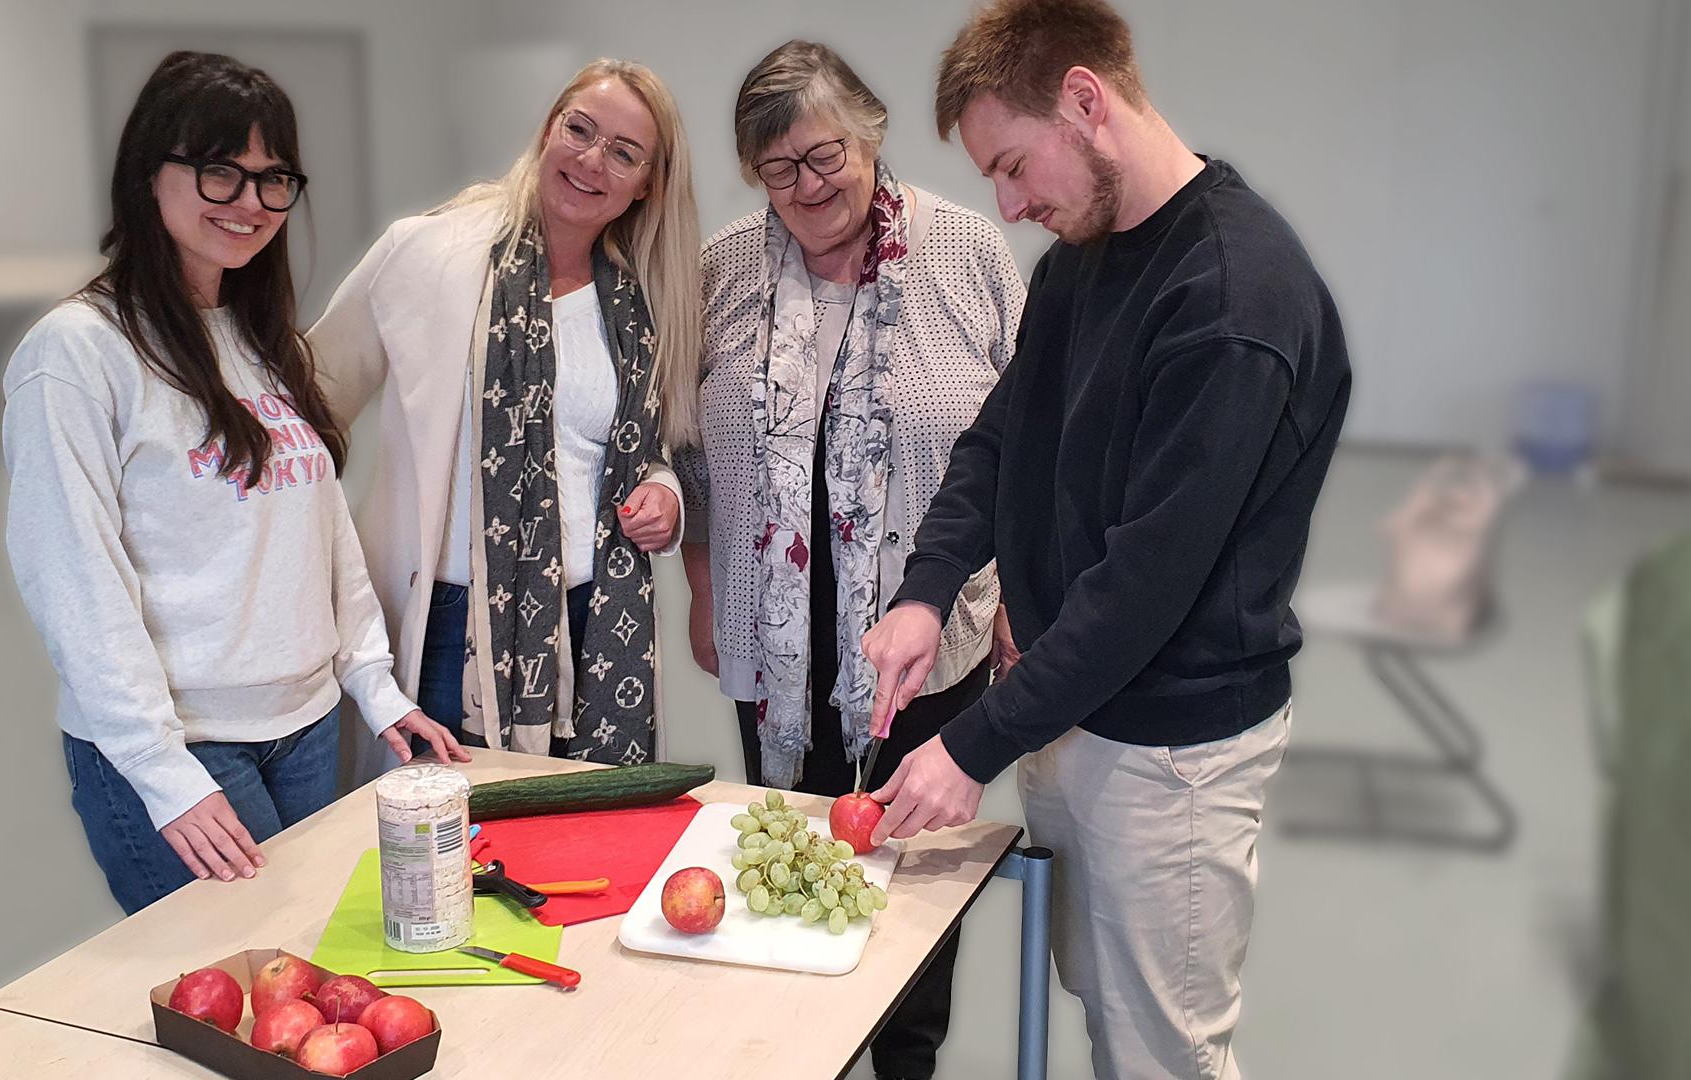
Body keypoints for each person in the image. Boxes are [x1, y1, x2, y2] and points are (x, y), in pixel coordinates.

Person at [862, 2, 1353, 1077]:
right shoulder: (1082, 258)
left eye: (1012, 164)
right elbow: (999, 437)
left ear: (1085, 101)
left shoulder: (1230, 298)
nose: (1008, 202)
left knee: (1159, 1052)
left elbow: (1145, 585)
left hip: (1169, 758)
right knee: (1106, 1008)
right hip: (1076, 715)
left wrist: (973, 744)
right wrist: (925, 589)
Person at [3, 52, 465, 915]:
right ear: (150, 173)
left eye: (272, 179)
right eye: (222, 172)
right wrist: (160, 770)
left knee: (311, 983)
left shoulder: (260, 342)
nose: (250, 204)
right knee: (243, 1007)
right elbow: (73, 577)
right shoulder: (77, 353)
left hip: (306, 726)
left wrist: (374, 684)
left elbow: (321, 535)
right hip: (185, 743)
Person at [673, 41, 1024, 1080]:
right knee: (790, 860)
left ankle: (904, 1061)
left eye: (823, 155)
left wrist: (1019, 597)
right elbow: (690, 449)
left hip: (926, 637)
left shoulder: (966, 253)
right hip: (771, 643)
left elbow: (1026, 444)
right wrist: (701, 588)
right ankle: (798, 1052)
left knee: (910, 881)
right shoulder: (726, 266)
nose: (806, 186)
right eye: (776, 169)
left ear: (870, 135)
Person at [310, 59, 699, 768]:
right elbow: (306, 409)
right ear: (548, 129)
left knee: (577, 857)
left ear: (649, 183)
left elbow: (635, 453)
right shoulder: (428, 253)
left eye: (623, 152)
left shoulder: (639, 300)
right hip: (449, 628)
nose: (591, 161)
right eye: (578, 130)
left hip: (596, 620)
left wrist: (665, 496)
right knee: (444, 857)